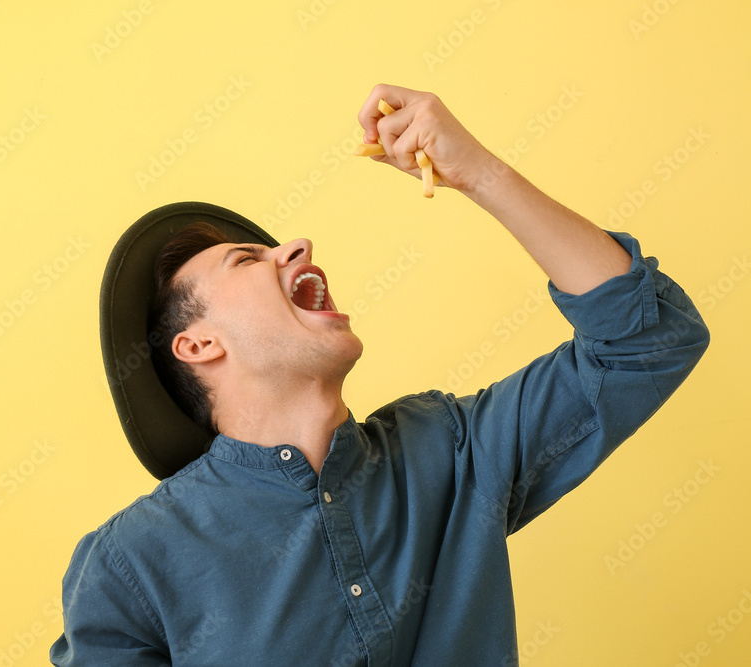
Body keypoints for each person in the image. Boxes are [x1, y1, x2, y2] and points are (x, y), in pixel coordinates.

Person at [50, 83, 710, 666]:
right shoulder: (128, 565)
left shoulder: (448, 448)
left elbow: (648, 340)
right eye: (249, 260)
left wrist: (477, 173)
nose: (297, 246)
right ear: (198, 345)